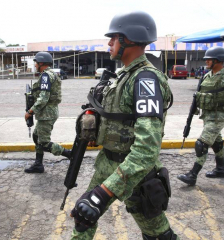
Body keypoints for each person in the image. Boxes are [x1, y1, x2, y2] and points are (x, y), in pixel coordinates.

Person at [69, 11, 178, 239]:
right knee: (83, 219)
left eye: (115, 37)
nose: (109, 43)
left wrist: (104, 193)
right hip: (107, 163)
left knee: (157, 233)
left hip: (135, 173)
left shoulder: (145, 79)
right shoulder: (123, 76)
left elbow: (147, 149)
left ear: (130, 39)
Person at [177, 46, 224, 186]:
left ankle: (192, 175)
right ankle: (221, 169)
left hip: (219, 117)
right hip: (207, 116)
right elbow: (198, 96)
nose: (206, 62)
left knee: (202, 144)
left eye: (209, 59)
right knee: (216, 143)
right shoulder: (205, 76)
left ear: (218, 60)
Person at [24, 51, 71, 173]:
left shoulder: (45, 76)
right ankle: (38, 164)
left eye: (36, 63)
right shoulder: (50, 74)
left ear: (41, 63)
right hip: (47, 112)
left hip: (47, 114)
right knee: (36, 136)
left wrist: (30, 111)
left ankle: (71, 155)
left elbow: (43, 98)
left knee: (44, 142)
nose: (35, 65)